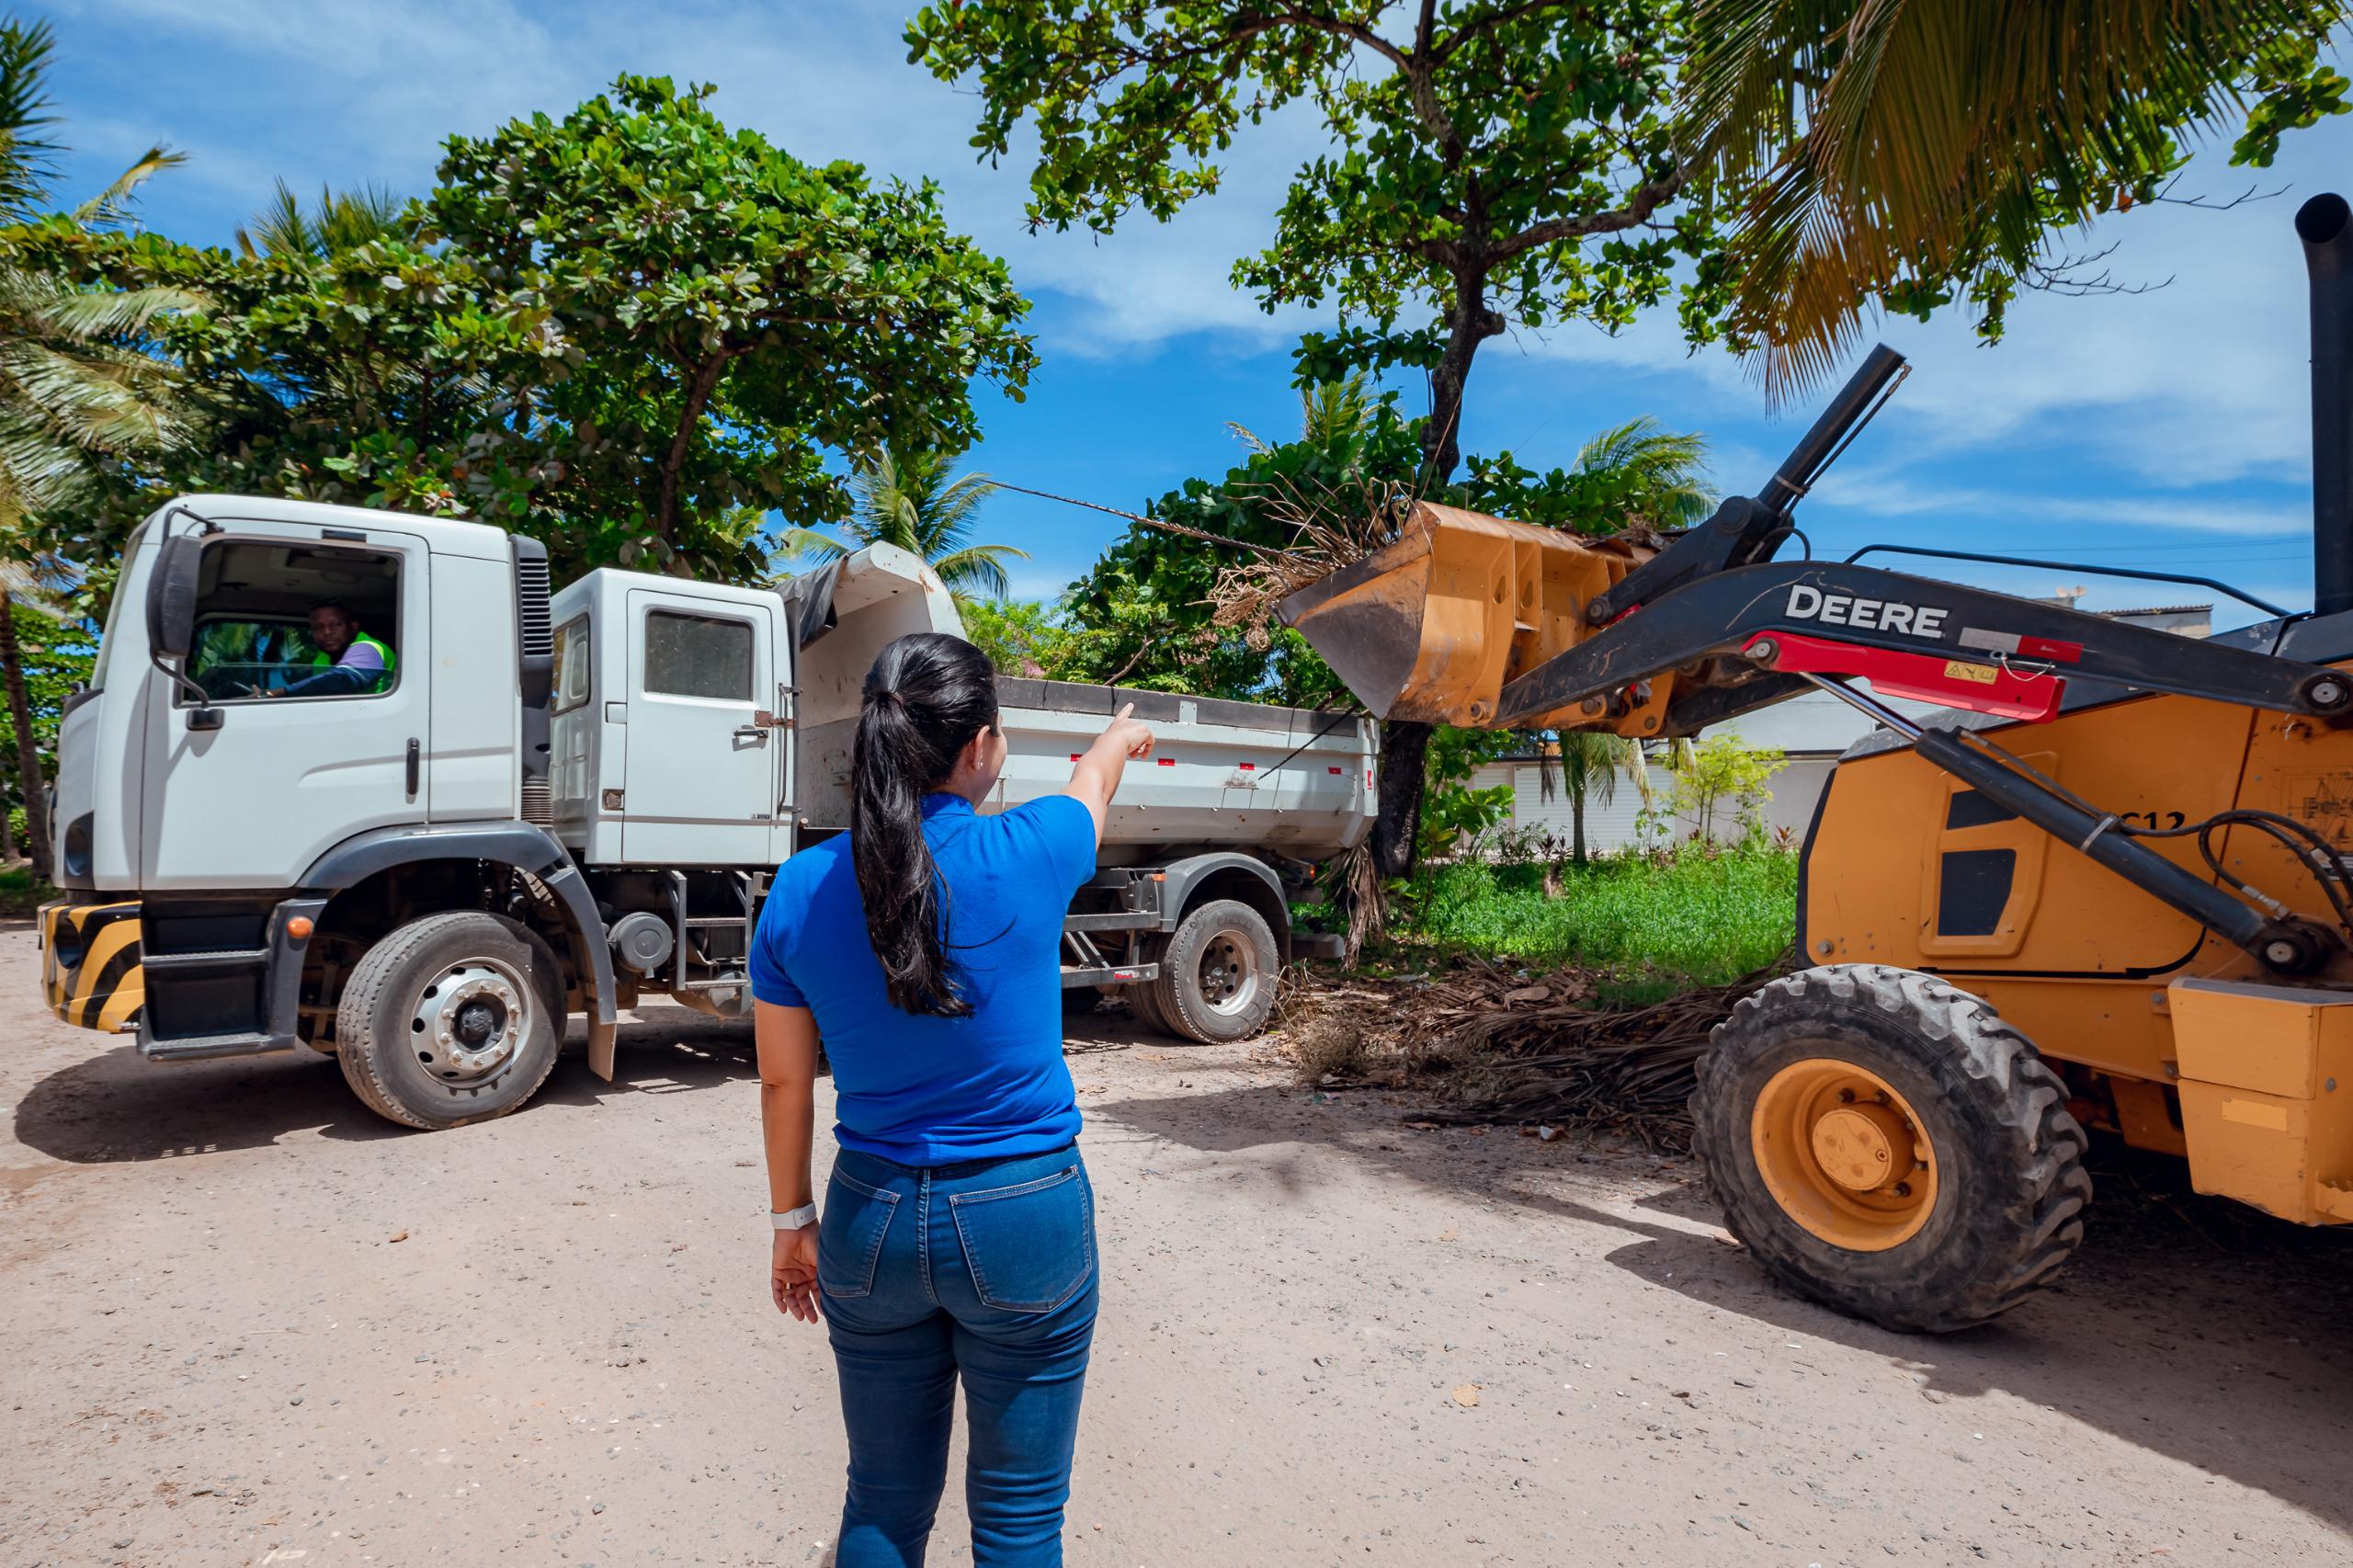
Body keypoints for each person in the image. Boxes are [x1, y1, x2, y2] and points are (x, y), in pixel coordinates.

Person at [749, 631, 1154, 1568]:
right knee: (1017, 1518)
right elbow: (1091, 787)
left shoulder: (799, 888)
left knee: (883, 1504)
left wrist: (790, 1222)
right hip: (1024, 1215)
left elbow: (780, 1080)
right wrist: (1117, 741)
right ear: (979, 745)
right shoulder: (1034, 846)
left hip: (870, 1216)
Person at [263, 601, 394, 698]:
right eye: (318, 627)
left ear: (353, 627)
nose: (327, 632)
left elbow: (343, 679)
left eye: (336, 625)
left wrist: (277, 693)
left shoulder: (369, 648)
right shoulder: (323, 657)